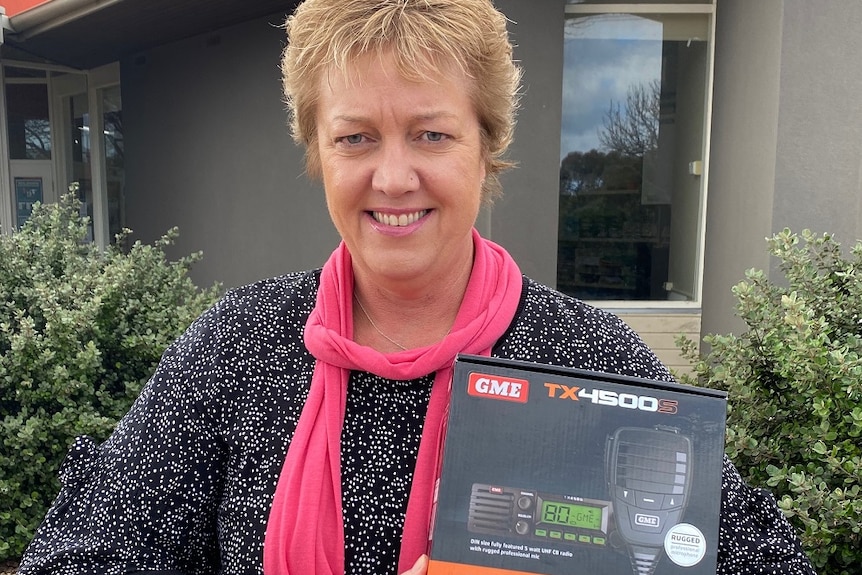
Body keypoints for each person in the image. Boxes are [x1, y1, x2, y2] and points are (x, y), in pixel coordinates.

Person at [19, 1, 817, 574]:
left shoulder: (586, 357)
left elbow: (756, 558)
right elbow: (88, 551)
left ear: (486, 147)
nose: (393, 177)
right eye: (355, 137)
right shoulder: (241, 343)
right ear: (317, 153)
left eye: (431, 133)